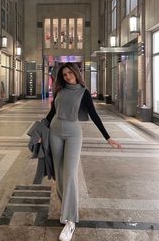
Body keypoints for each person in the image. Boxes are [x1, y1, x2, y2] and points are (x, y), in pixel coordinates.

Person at [42, 62, 121, 241]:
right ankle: (66, 210)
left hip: (73, 134)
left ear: (77, 73)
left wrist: (107, 137)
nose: (68, 76)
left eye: (70, 73)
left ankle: (71, 220)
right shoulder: (60, 91)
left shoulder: (83, 92)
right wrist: (41, 130)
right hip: (54, 132)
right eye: (64, 74)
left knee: (70, 174)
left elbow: (94, 115)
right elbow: (52, 112)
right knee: (59, 174)